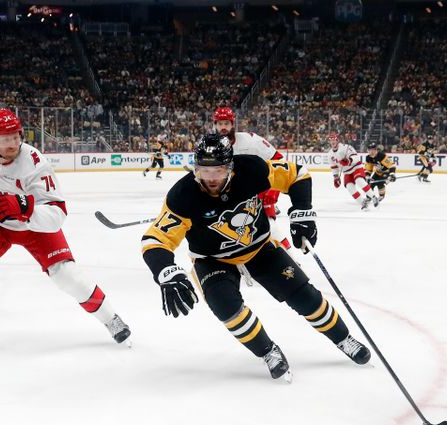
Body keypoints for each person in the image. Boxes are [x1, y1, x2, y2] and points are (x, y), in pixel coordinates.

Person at [140, 133, 371, 381]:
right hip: (212, 259)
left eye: (217, 171)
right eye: (204, 172)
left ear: (230, 166)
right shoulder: (182, 195)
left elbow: (297, 174)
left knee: (305, 296)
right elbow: (155, 239)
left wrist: (302, 210)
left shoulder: (252, 170)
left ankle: (343, 338)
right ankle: (267, 351)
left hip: (259, 247)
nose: (211, 179)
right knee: (225, 307)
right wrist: (165, 270)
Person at [0, 109, 131, 352]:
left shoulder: (36, 163)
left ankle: (111, 318)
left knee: (67, 275)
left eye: (16, 137)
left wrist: (24, 209)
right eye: (5, 139)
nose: (12, 144)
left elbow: (57, 213)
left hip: (34, 225)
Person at [213, 106, 289, 248]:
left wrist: (273, 189)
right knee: (233, 236)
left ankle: (292, 262)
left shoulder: (251, 140)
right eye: (220, 124)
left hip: (259, 194)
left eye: (226, 124)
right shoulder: (211, 147)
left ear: (232, 124)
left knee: (271, 230)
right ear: (215, 125)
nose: (223, 127)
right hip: (231, 199)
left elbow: (279, 160)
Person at [328, 133, 378, 210]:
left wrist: (349, 161)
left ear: (337, 140)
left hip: (356, 167)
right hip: (347, 172)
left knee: (359, 181)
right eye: (330, 140)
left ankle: (373, 197)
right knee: (349, 187)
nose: (332, 142)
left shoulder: (345, 147)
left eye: (334, 139)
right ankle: (363, 203)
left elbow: (356, 157)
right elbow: (334, 167)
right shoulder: (330, 154)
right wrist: (336, 177)